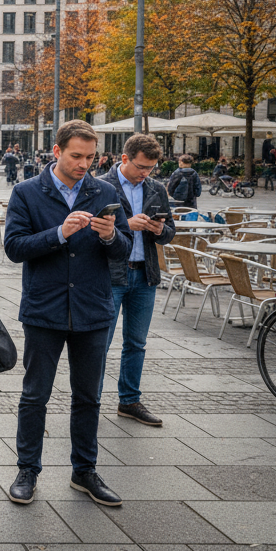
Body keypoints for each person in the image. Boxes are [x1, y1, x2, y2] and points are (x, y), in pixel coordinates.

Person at [3, 120, 130, 508]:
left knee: (89, 396)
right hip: (45, 308)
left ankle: (84, 470)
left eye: (91, 157)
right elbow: (13, 247)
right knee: (34, 395)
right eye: (77, 156)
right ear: (56, 151)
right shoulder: (27, 192)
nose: (84, 164)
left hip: (92, 308)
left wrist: (109, 235)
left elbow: (124, 250)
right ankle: (28, 469)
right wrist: (59, 233)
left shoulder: (104, 190)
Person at [101, 134, 176, 428]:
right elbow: (88, 231)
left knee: (137, 343)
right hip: (111, 274)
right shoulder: (101, 185)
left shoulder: (156, 188)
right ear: (124, 158)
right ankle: (89, 400)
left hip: (145, 273)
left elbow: (170, 232)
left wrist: (159, 229)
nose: (146, 173)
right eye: (141, 167)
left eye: (151, 168)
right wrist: (125, 225)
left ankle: (129, 400)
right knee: (100, 343)